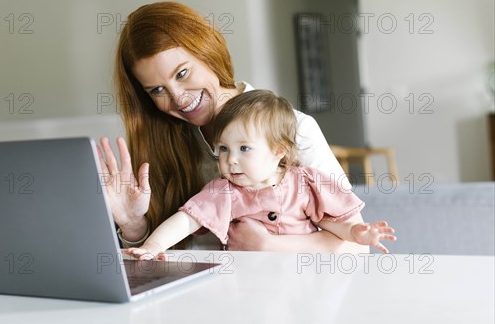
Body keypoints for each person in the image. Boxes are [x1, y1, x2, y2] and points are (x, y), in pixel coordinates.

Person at [98, 1, 367, 252]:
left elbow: (357, 248)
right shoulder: (163, 140)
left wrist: (267, 246)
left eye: (182, 73)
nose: (178, 98)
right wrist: (133, 226)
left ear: (208, 51)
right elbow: (158, 258)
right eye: (157, 90)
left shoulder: (295, 129)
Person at [126, 90, 396, 259]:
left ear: (278, 150)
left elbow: (330, 221)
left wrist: (355, 232)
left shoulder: (304, 182)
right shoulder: (224, 191)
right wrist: (153, 246)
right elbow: (186, 220)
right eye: (223, 149)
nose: (231, 160)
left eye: (244, 148)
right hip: (248, 283)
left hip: (305, 278)